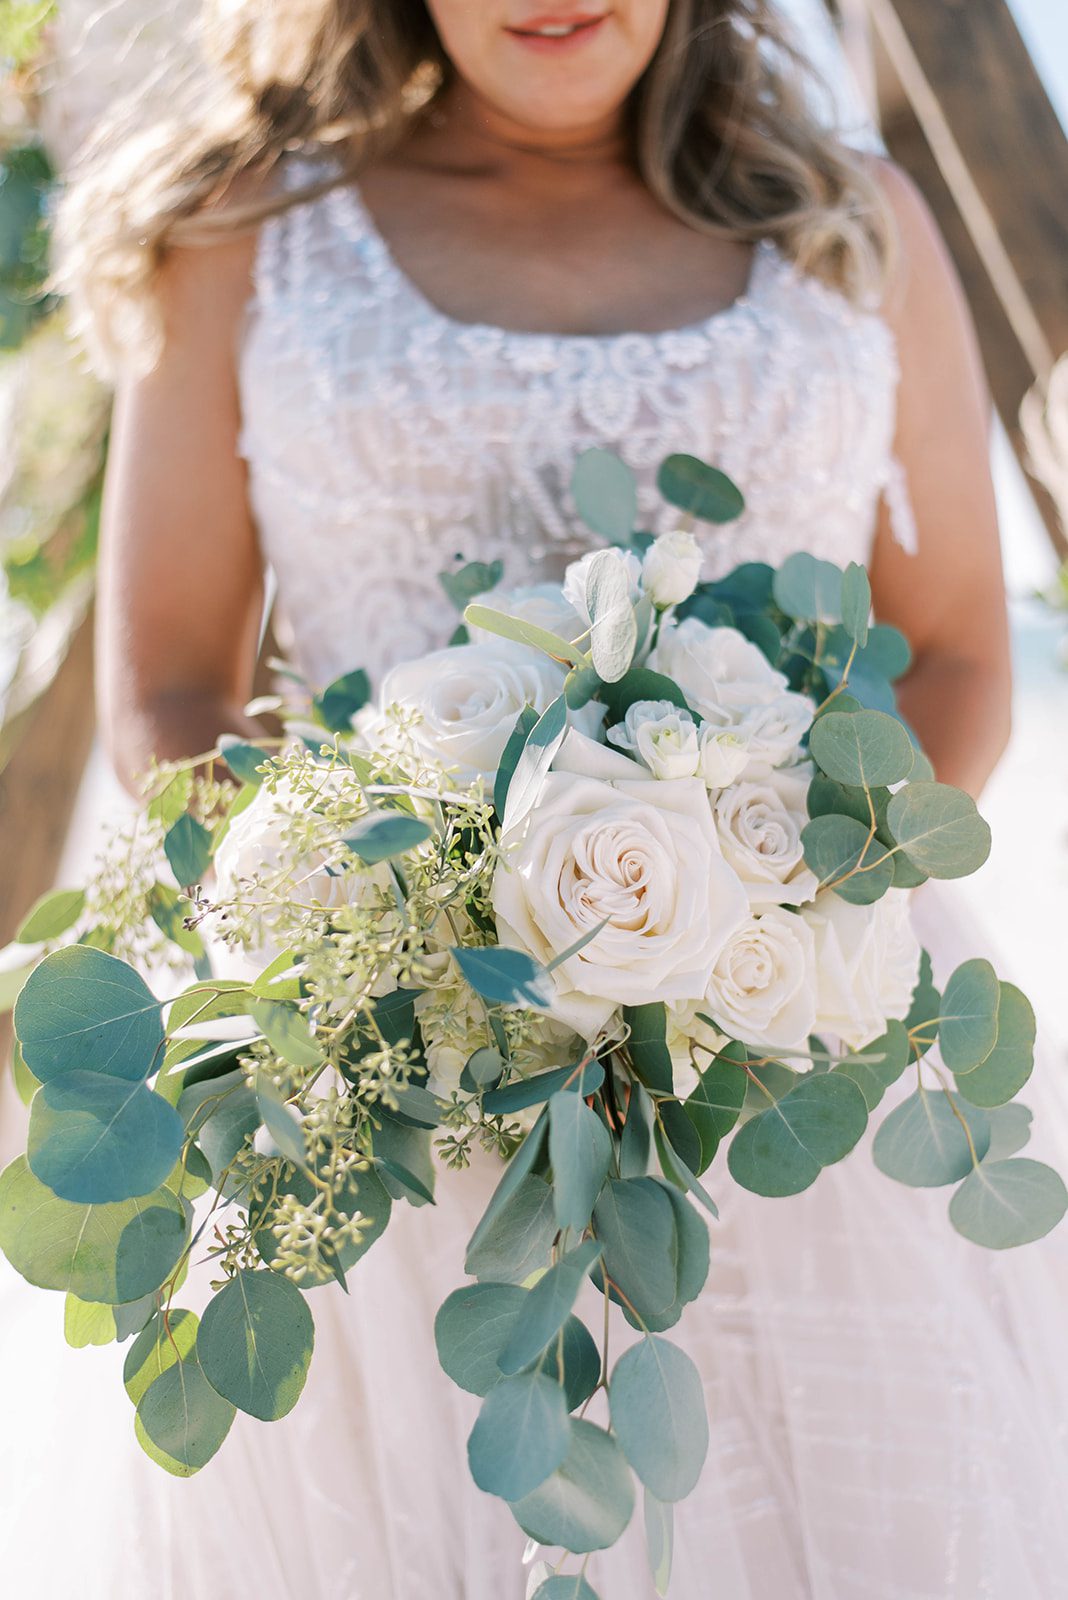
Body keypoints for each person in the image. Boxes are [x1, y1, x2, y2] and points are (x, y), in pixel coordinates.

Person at [2, 3, 1066, 1595]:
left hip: (796, 1058)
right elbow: (168, 685)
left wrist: (760, 908)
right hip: (383, 1099)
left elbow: (966, 658)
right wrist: (394, 923)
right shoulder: (248, 224)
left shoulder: (849, 216)